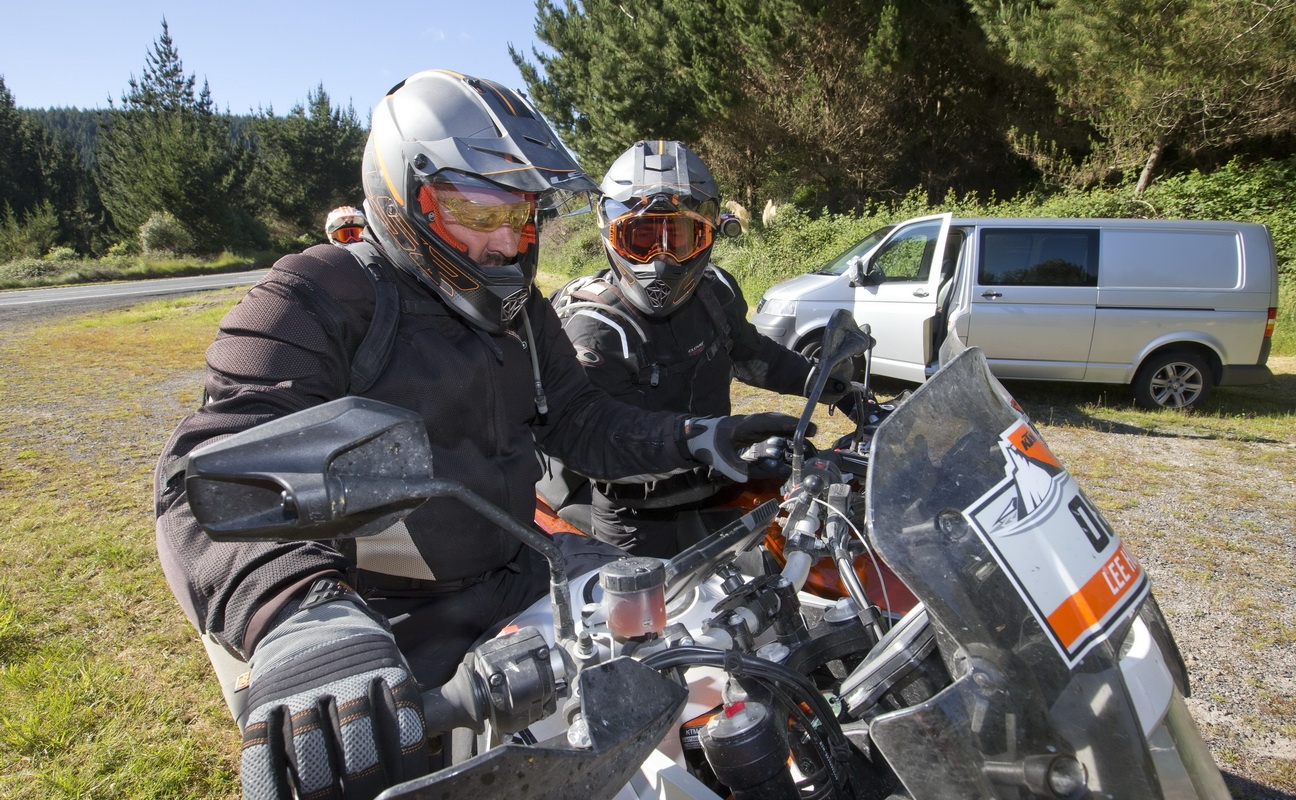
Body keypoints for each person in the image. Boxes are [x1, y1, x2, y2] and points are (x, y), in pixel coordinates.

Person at [152, 71, 800, 800]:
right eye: (474, 208)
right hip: (383, 613)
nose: (505, 242)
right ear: (402, 193)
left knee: (706, 654)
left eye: (521, 213)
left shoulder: (520, 309)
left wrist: (698, 436)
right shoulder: (311, 297)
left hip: (525, 565)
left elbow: (581, 418)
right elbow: (200, 478)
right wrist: (301, 615)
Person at [550, 140, 853, 558]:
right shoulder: (597, 329)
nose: (660, 260)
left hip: (717, 485)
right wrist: (712, 441)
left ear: (708, 236)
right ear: (611, 234)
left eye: (679, 238)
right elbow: (602, 442)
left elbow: (752, 355)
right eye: (642, 239)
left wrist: (824, 380)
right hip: (636, 516)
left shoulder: (715, 292)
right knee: (649, 602)